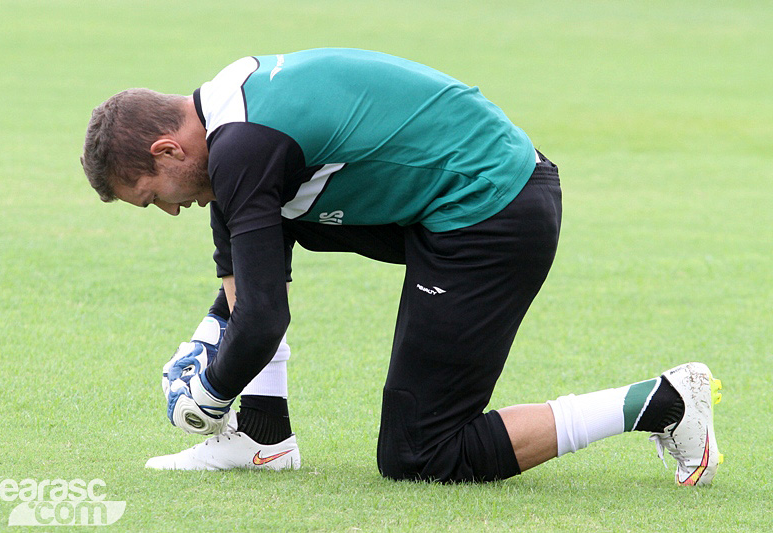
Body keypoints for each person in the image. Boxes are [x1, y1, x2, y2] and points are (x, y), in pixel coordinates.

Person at [81, 48, 722, 484]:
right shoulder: (228, 113)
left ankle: (662, 402)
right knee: (250, 215)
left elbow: (263, 318)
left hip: (492, 214)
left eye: (153, 196)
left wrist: (210, 390)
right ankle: (262, 439)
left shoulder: (244, 147)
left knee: (421, 454)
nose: (168, 211)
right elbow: (248, 279)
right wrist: (215, 334)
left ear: (167, 147)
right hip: (460, 201)